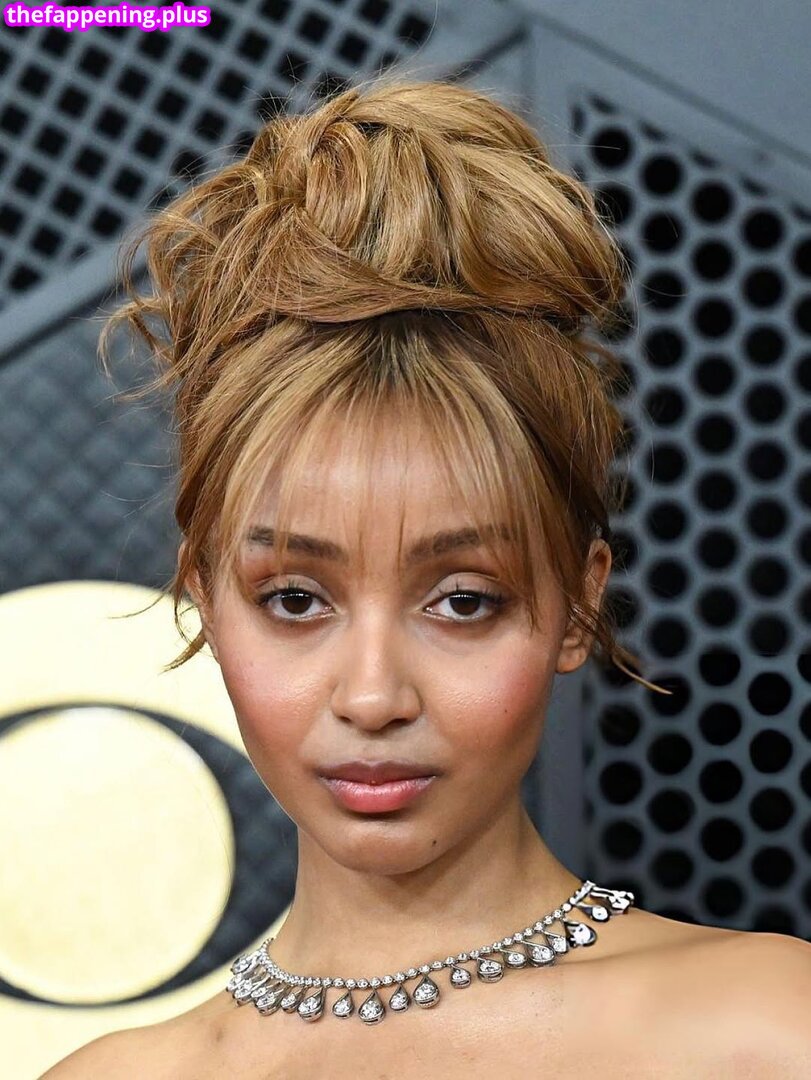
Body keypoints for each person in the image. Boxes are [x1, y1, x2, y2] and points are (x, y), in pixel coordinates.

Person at [43, 73, 810, 1079]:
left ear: (578, 605)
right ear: (204, 603)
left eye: (462, 601)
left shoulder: (766, 1030)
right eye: (294, 600)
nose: (372, 698)